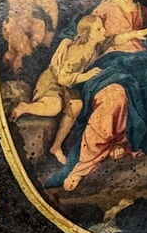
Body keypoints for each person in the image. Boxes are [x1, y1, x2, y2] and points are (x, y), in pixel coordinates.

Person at [46, 0, 147, 192]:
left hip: (142, 61)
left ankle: (128, 140)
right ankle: (84, 164)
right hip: (112, 62)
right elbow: (83, 25)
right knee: (115, 95)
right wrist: (66, 39)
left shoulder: (143, 10)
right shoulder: (106, 7)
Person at [11, 13, 107, 164]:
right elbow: (62, 78)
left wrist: (137, 33)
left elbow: (115, 39)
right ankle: (25, 107)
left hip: (68, 85)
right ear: (88, 34)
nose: (104, 31)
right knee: (55, 107)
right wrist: (86, 76)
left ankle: (56, 147)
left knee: (77, 105)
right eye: (99, 29)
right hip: (53, 81)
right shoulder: (78, 51)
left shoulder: (94, 47)